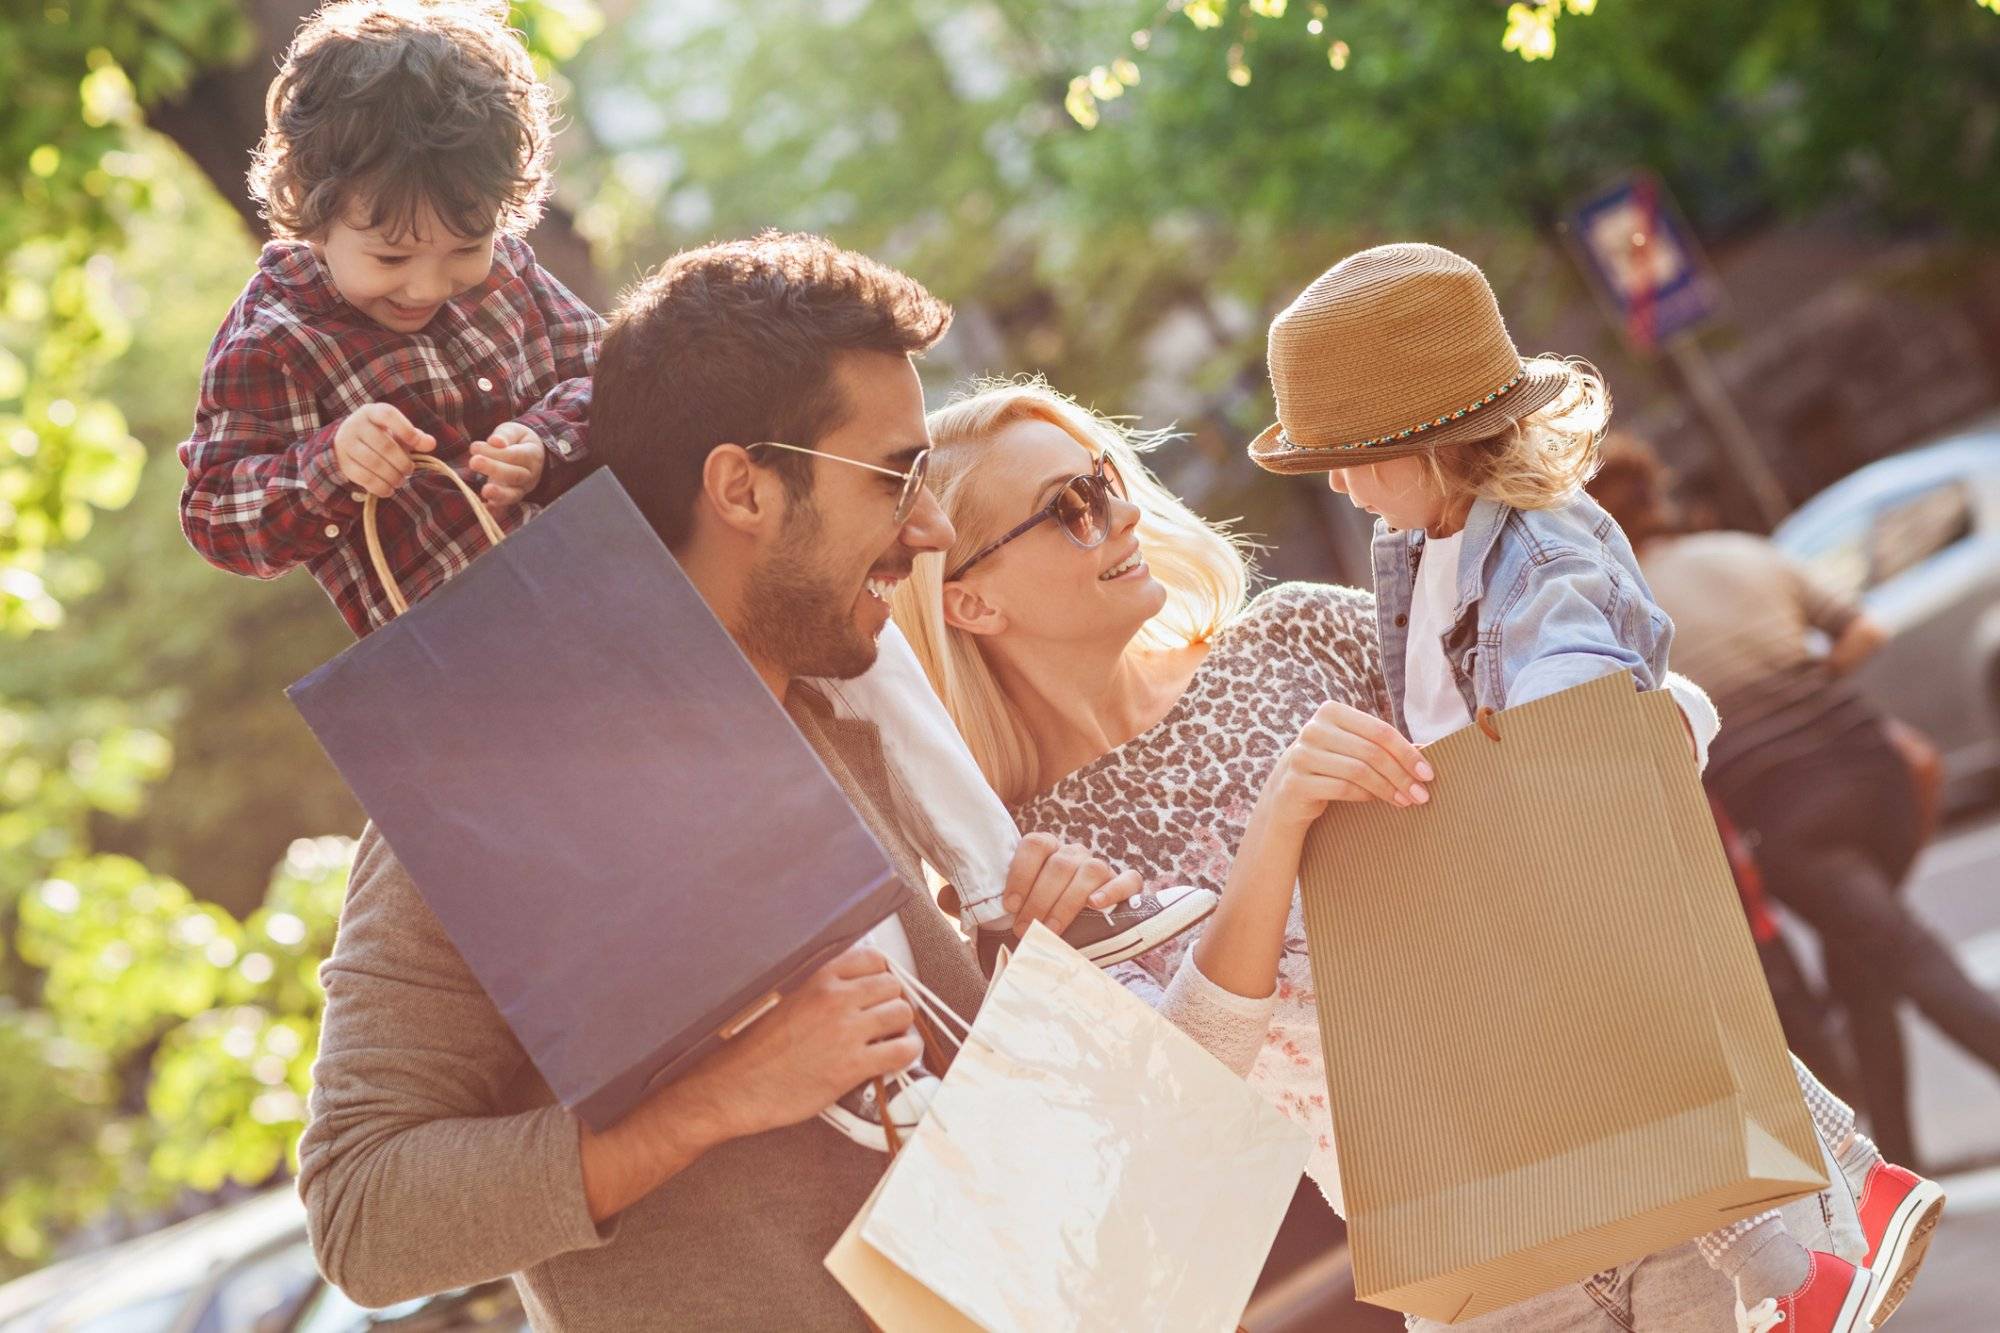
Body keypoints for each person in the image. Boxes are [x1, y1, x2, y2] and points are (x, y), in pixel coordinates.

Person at [296, 233, 1304, 1329]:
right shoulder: (502, 788)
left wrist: (1019, 966)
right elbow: (360, 1214)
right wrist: (712, 1101)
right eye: (892, 478)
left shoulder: (839, 723)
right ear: (742, 488)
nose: (925, 532)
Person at [888, 374, 1892, 1332]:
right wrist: (1278, 825)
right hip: (1477, 1263)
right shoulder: (1030, 866)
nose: (1116, 517)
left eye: (1104, 480)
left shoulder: (1295, 640)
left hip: (1671, 1162)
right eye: (1065, 506)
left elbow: (1624, 730)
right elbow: (1183, 1110)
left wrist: (1628, 727)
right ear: (969, 600)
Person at [1591, 434, 1992, 1301]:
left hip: (1794, 814)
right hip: (1878, 775)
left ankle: (1891, 1186)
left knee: (1913, 964)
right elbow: (1867, 630)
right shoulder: (1741, 550)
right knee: (1870, 974)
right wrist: (1805, 679)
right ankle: (1899, 1181)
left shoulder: (1622, 601)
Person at [178, 0, 599, 637]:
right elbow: (217, 517)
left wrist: (547, 440)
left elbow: (622, 377)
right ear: (311, 210)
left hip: (608, 578)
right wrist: (332, 463)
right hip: (463, 657)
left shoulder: (512, 272)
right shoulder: (275, 340)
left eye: (466, 247)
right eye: (391, 255)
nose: (429, 284)